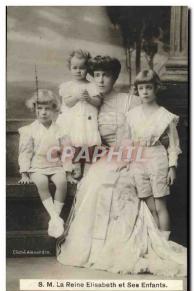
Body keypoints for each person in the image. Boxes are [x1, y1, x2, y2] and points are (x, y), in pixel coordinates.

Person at [57, 56, 186, 277]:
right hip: (99, 156)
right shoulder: (87, 100)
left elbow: (143, 130)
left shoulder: (130, 100)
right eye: (96, 74)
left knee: (123, 184)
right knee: (97, 183)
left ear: (115, 77)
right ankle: (96, 248)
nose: (101, 80)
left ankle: (136, 243)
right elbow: (73, 132)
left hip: (132, 155)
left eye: (106, 75)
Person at [127, 69, 182, 237]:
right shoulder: (132, 114)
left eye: (149, 87)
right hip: (138, 160)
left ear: (156, 88)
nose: (145, 91)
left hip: (157, 159)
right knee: (149, 204)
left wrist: (172, 168)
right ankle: (156, 242)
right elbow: (129, 141)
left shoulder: (165, 116)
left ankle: (164, 245)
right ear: (137, 89)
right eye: (141, 88)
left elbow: (173, 145)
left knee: (160, 205)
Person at [18, 89, 73, 239]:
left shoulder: (60, 130)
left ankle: (55, 219)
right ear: (34, 110)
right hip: (37, 167)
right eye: (39, 108)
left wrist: (68, 172)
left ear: (54, 109)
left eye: (47, 108)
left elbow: (67, 153)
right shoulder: (29, 130)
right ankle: (55, 218)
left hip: (56, 166)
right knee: (41, 182)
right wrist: (24, 173)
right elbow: (25, 153)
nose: (43, 112)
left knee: (62, 183)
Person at [57, 49, 102, 178]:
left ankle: (88, 166)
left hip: (87, 121)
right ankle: (75, 165)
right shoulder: (67, 86)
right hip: (73, 121)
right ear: (70, 68)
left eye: (82, 68)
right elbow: (67, 102)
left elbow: (98, 102)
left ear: (88, 69)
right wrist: (76, 97)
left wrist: (90, 99)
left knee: (89, 143)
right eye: (74, 67)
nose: (78, 71)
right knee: (74, 143)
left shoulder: (93, 86)